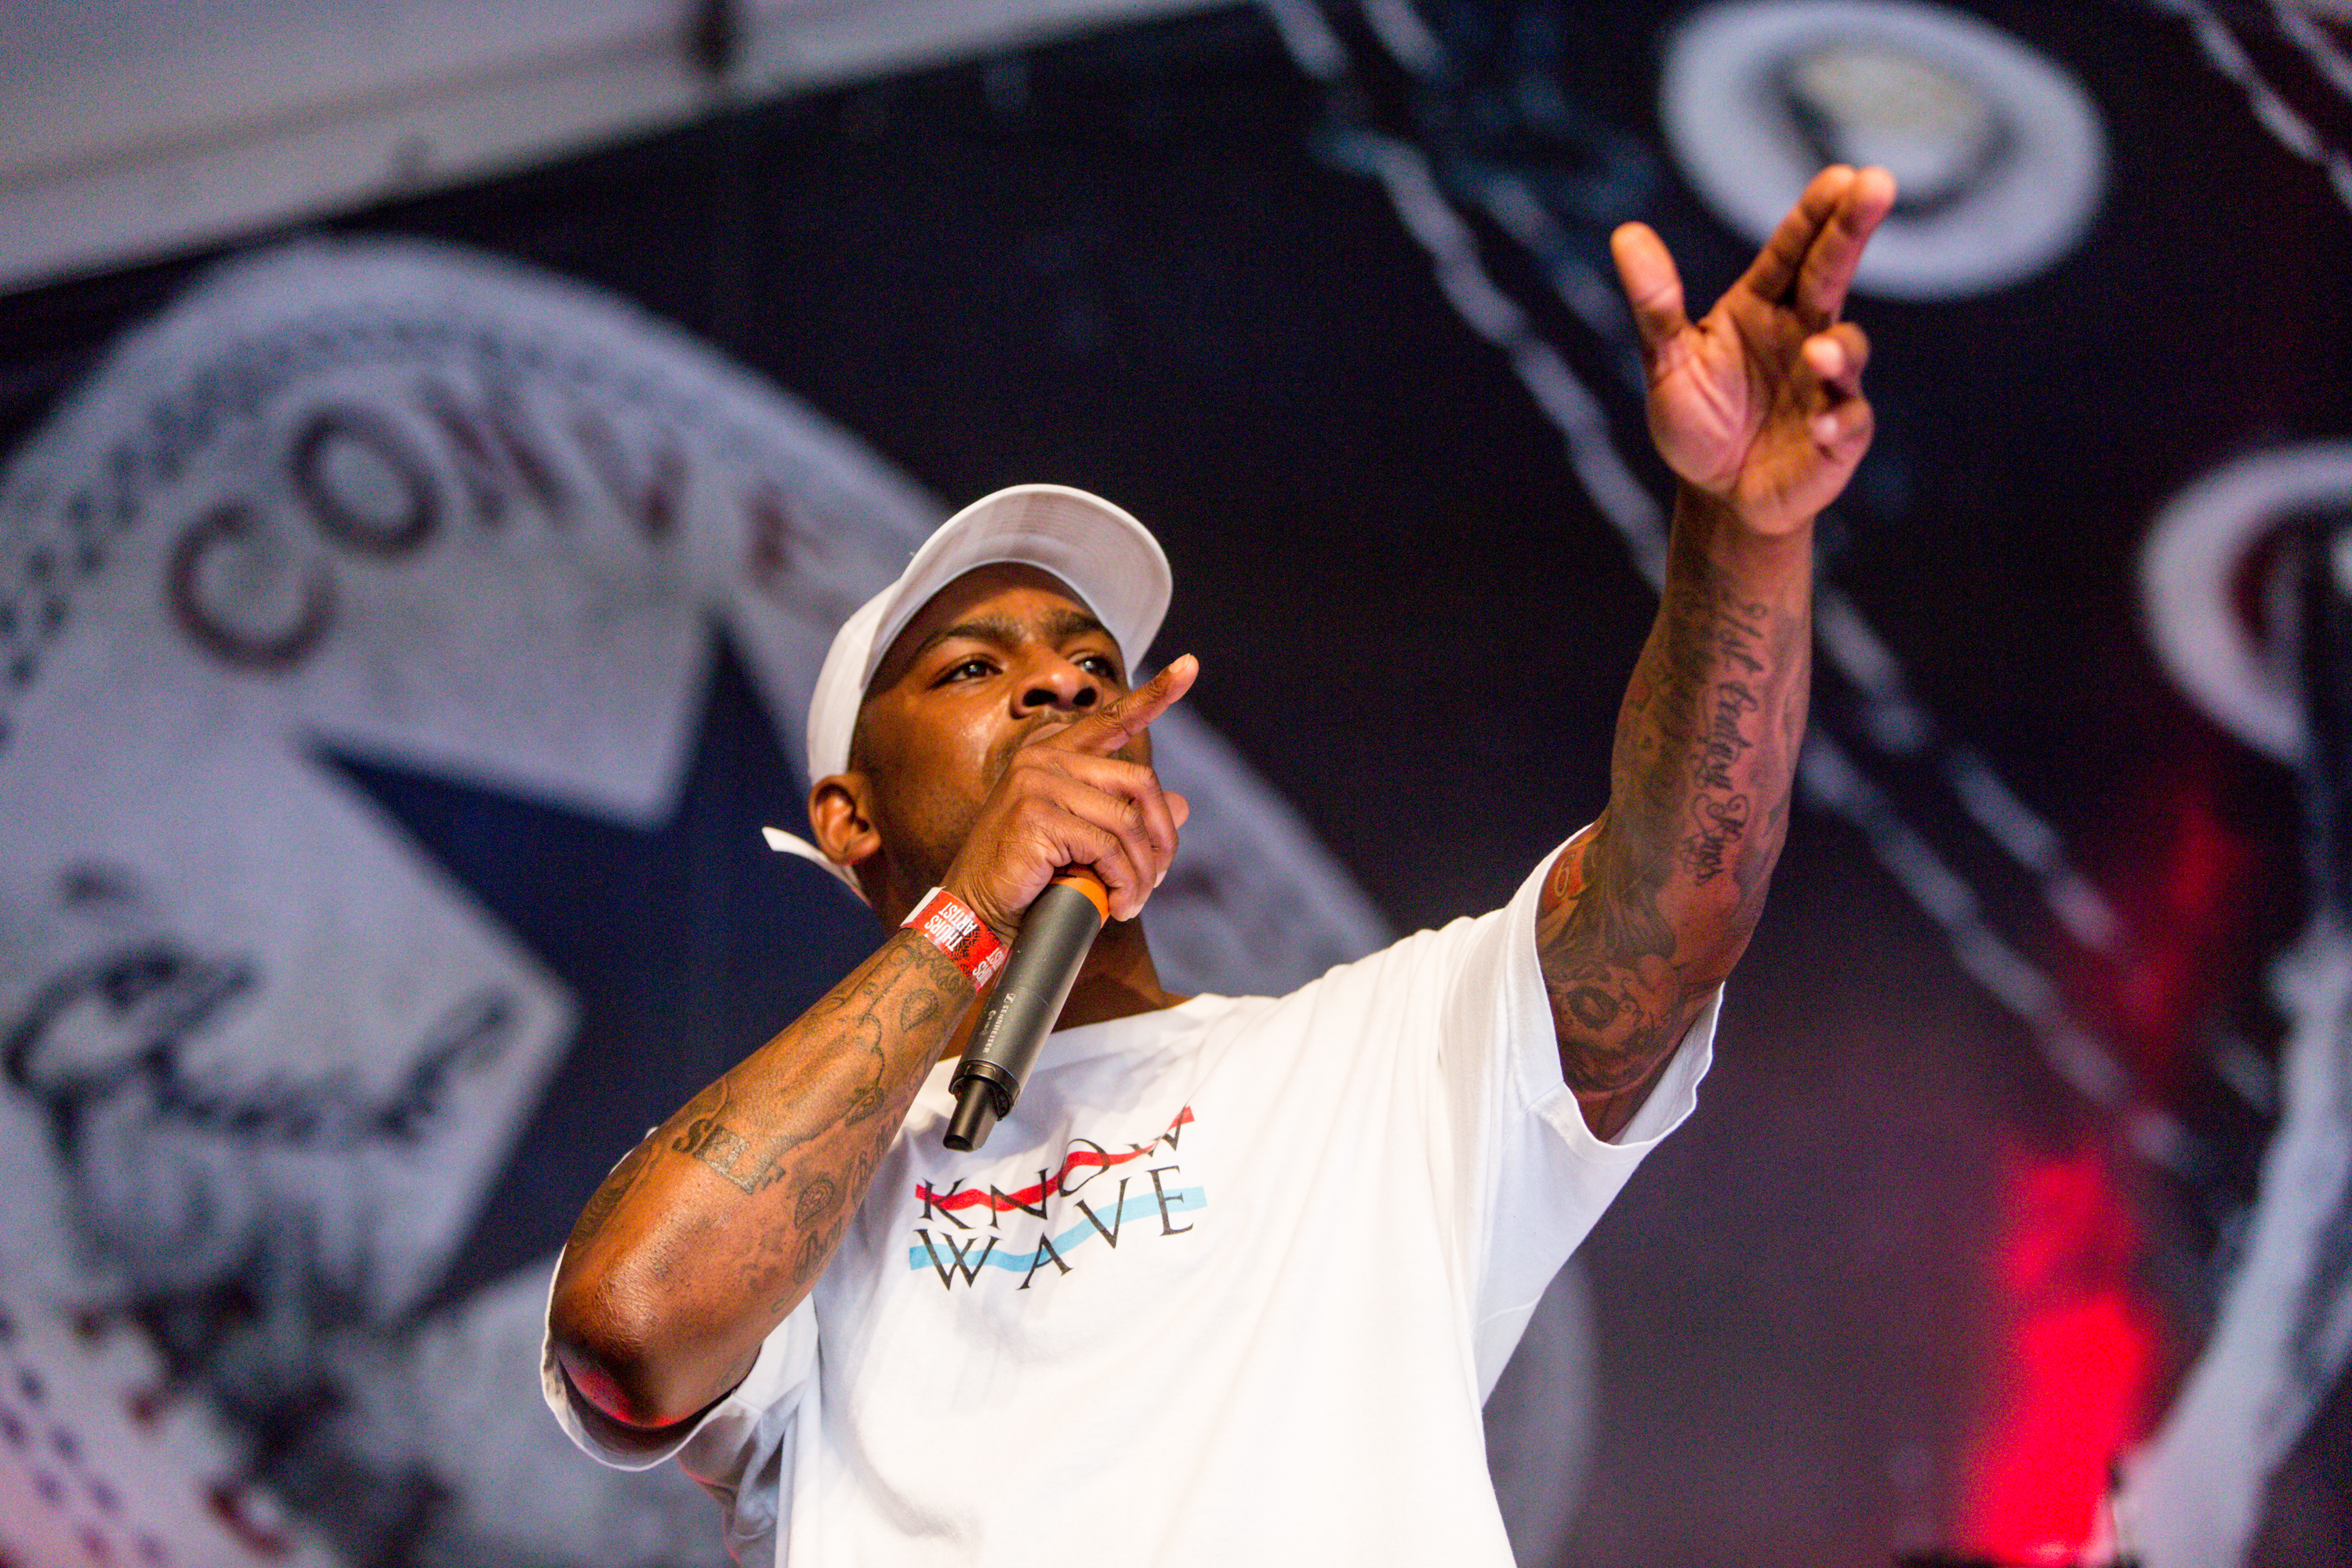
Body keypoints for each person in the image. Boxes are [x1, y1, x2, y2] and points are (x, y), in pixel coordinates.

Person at [543, 165, 1895, 1564]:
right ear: (850, 820)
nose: (1059, 689)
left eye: (1090, 665)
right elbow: (629, 1332)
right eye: (972, 668)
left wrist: (1744, 531)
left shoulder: (1372, 1056)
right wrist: (971, 919)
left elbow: (1677, 911)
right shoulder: (805, 1174)